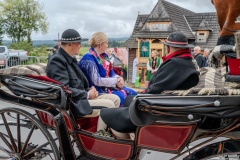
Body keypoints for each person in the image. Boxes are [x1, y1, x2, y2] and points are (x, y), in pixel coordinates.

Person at [99, 31, 200, 138]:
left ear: (169, 48)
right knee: (128, 99)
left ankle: (128, 143)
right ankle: (133, 136)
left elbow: (158, 88)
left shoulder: (174, 63)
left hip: (157, 109)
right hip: (170, 105)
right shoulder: (187, 62)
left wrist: (141, 96)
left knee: (106, 113)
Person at [46, 29, 120, 132]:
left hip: (81, 97)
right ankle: (100, 136)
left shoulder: (69, 58)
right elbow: (64, 89)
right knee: (109, 105)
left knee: (115, 99)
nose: (80, 45)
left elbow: (80, 81)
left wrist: (90, 90)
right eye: (78, 43)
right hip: (73, 103)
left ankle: (104, 130)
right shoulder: (57, 60)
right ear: (69, 44)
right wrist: (87, 94)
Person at [78, 32, 137, 106]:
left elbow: (111, 73)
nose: (107, 45)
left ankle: (130, 116)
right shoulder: (88, 58)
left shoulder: (104, 56)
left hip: (108, 87)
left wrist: (119, 78)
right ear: (101, 44)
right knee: (122, 97)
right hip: (97, 90)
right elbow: (96, 81)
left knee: (132, 93)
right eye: (106, 43)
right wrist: (115, 81)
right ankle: (120, 116)